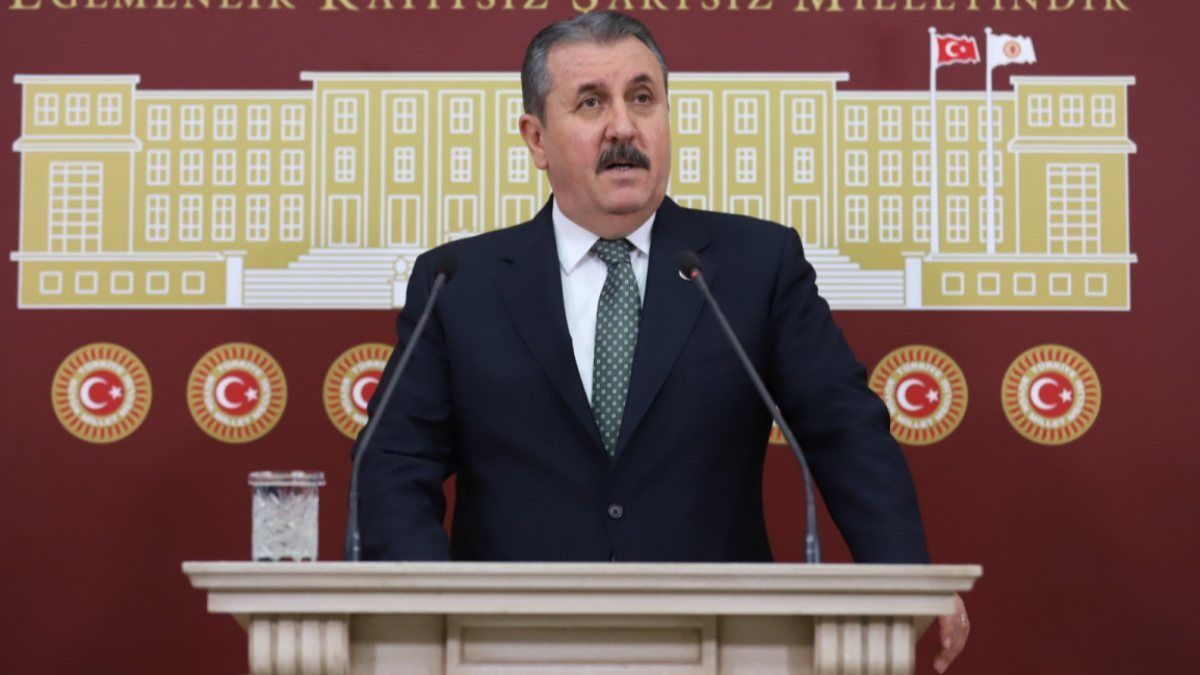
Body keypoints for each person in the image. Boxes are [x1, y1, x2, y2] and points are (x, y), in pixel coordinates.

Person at [355, 11, 969, 672]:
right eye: (591, 103)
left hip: (725, 643)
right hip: (506, 645)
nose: (623, 127)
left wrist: (906, 576)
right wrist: (428, 616)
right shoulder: (459, 282)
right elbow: (394, 462)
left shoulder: (754, 265)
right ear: (536, 139)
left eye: (642, 98)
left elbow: (844, 431)